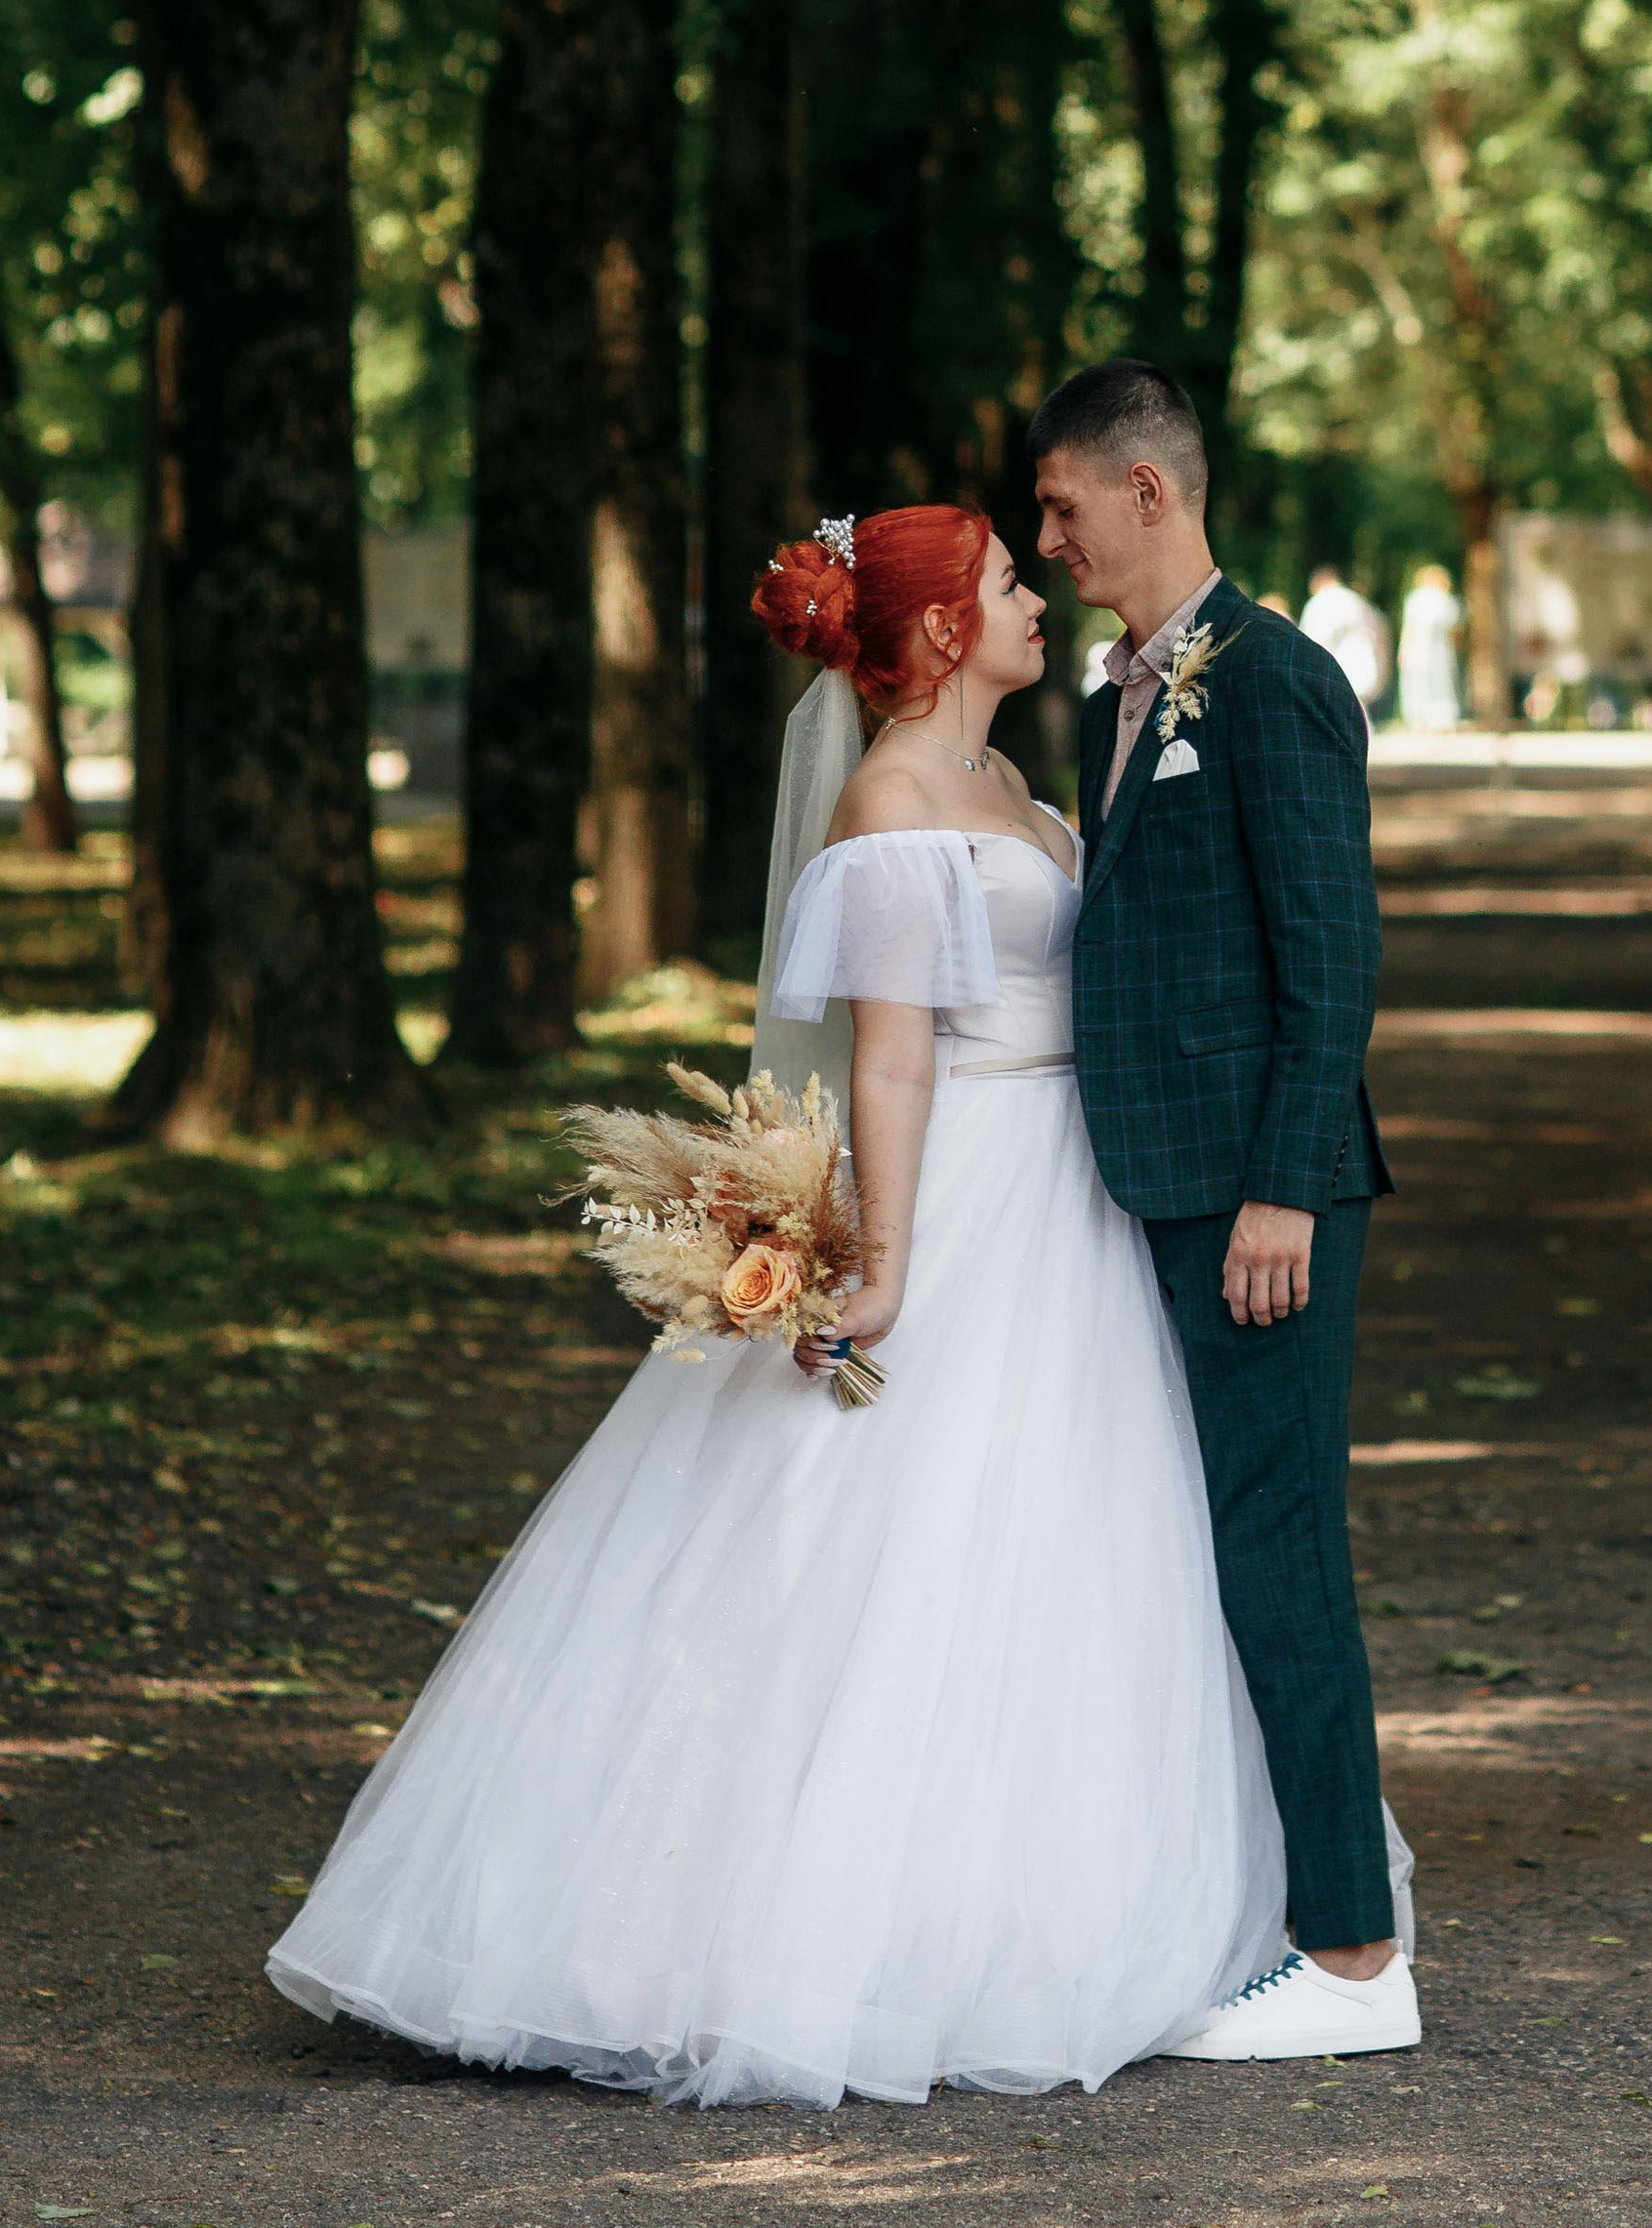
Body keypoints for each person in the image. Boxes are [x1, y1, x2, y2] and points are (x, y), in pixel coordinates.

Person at [267, 505, 1366, 2106]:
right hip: (977, 1184)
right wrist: (892, 1256)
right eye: (1006, 581)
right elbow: (892, 1058)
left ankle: (1079, 1888)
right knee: (903, 1537)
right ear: (942, 631)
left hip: (1083, 1193)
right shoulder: (892, 800)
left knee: (1080, 1538)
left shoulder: (1017, 782)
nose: (1037, 593)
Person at [1032, 361, 1417, 2062]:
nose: (1049, 543)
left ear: (1146, 490)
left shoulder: (1275, 679)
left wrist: (1282, 1187)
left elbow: (1333, 959)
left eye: (1062, 508)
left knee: (1279, 1549)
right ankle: (1252, 1907)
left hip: (1259, 1195)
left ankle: (1354, 1959)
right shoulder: (1113, 697)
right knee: (1194, 1551)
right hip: (1151, 1182)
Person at [1298, 559, 1391, 713]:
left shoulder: (1321, 602)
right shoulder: (1357, 601)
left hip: (1333, 672)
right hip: (1363, 666)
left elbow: (1312, 641)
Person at [1396, 563, 1464, 732]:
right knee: (1442, 684)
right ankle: (1442, 718)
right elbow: (1455, 630)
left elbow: (1409, 628)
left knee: (1419, 683)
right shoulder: (1446, 600)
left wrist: (1403, 649)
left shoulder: (1416, 599)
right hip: (1441, 650)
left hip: (1418, 648)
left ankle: (1420, 719)